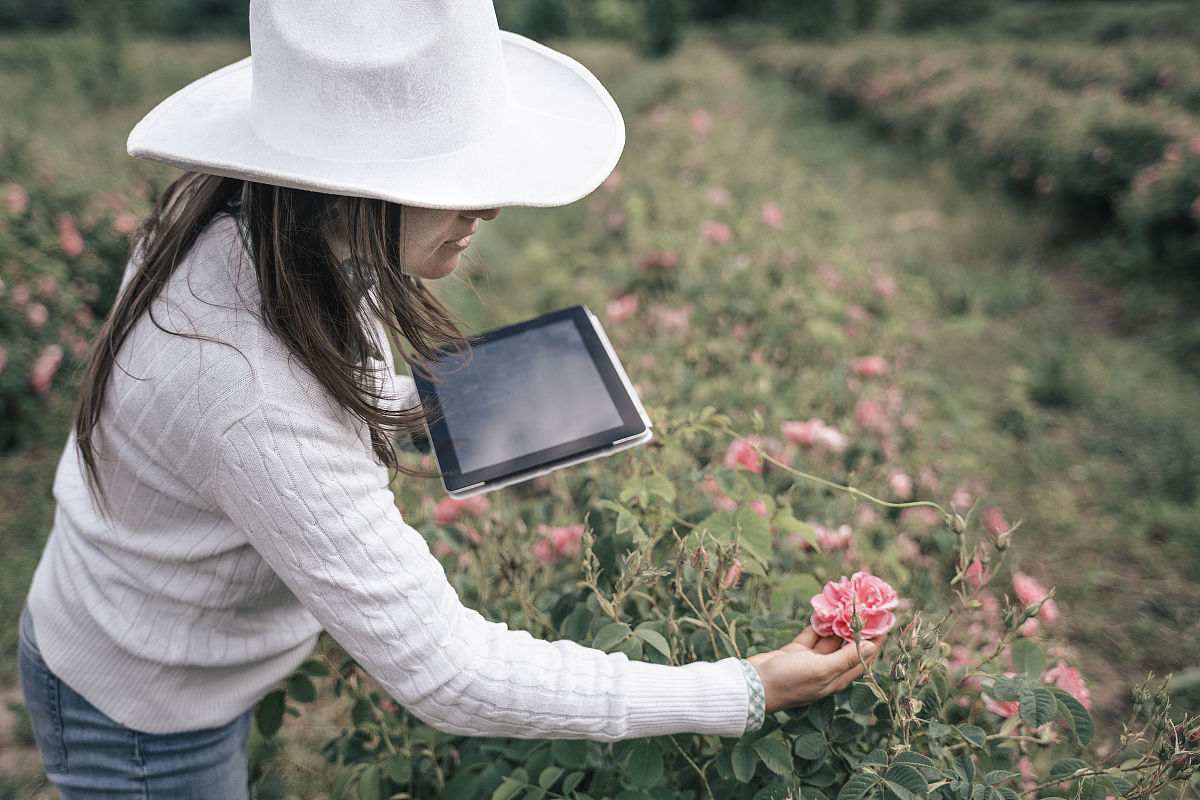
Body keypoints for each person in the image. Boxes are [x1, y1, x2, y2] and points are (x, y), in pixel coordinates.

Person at [17, 1, 882, 797]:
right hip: (145, 716)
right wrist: (743, 689)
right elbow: (449, 672)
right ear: (343, 182)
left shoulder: (256, 222)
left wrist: (441, 412)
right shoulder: (247, 387)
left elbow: (298, 409)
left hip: (164, 643)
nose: (493, 208)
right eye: (457, 174)